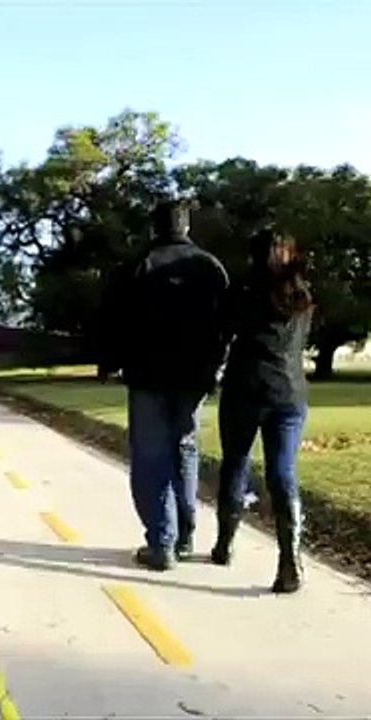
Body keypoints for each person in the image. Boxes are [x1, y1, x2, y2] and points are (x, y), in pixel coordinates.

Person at [98, 200, 230, 571]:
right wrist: (215, 367)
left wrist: (108, 362)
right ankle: (185, 533)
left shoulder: (137, 267)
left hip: (148, 376)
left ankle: (162, 540)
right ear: (187, 227)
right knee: (184, 450)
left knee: (152, 456)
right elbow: (225, 326)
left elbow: (114, 319)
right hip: (194, 377)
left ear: (153, 228)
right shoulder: (210, 267)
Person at [211, 227, 314, 594]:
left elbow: (220, 335)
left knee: (236, 462)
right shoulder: (301, 295)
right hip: (289, 392)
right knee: (282, 472)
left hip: (245, 389)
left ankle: (225, 543)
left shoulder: (240, 291)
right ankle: (290, 559)